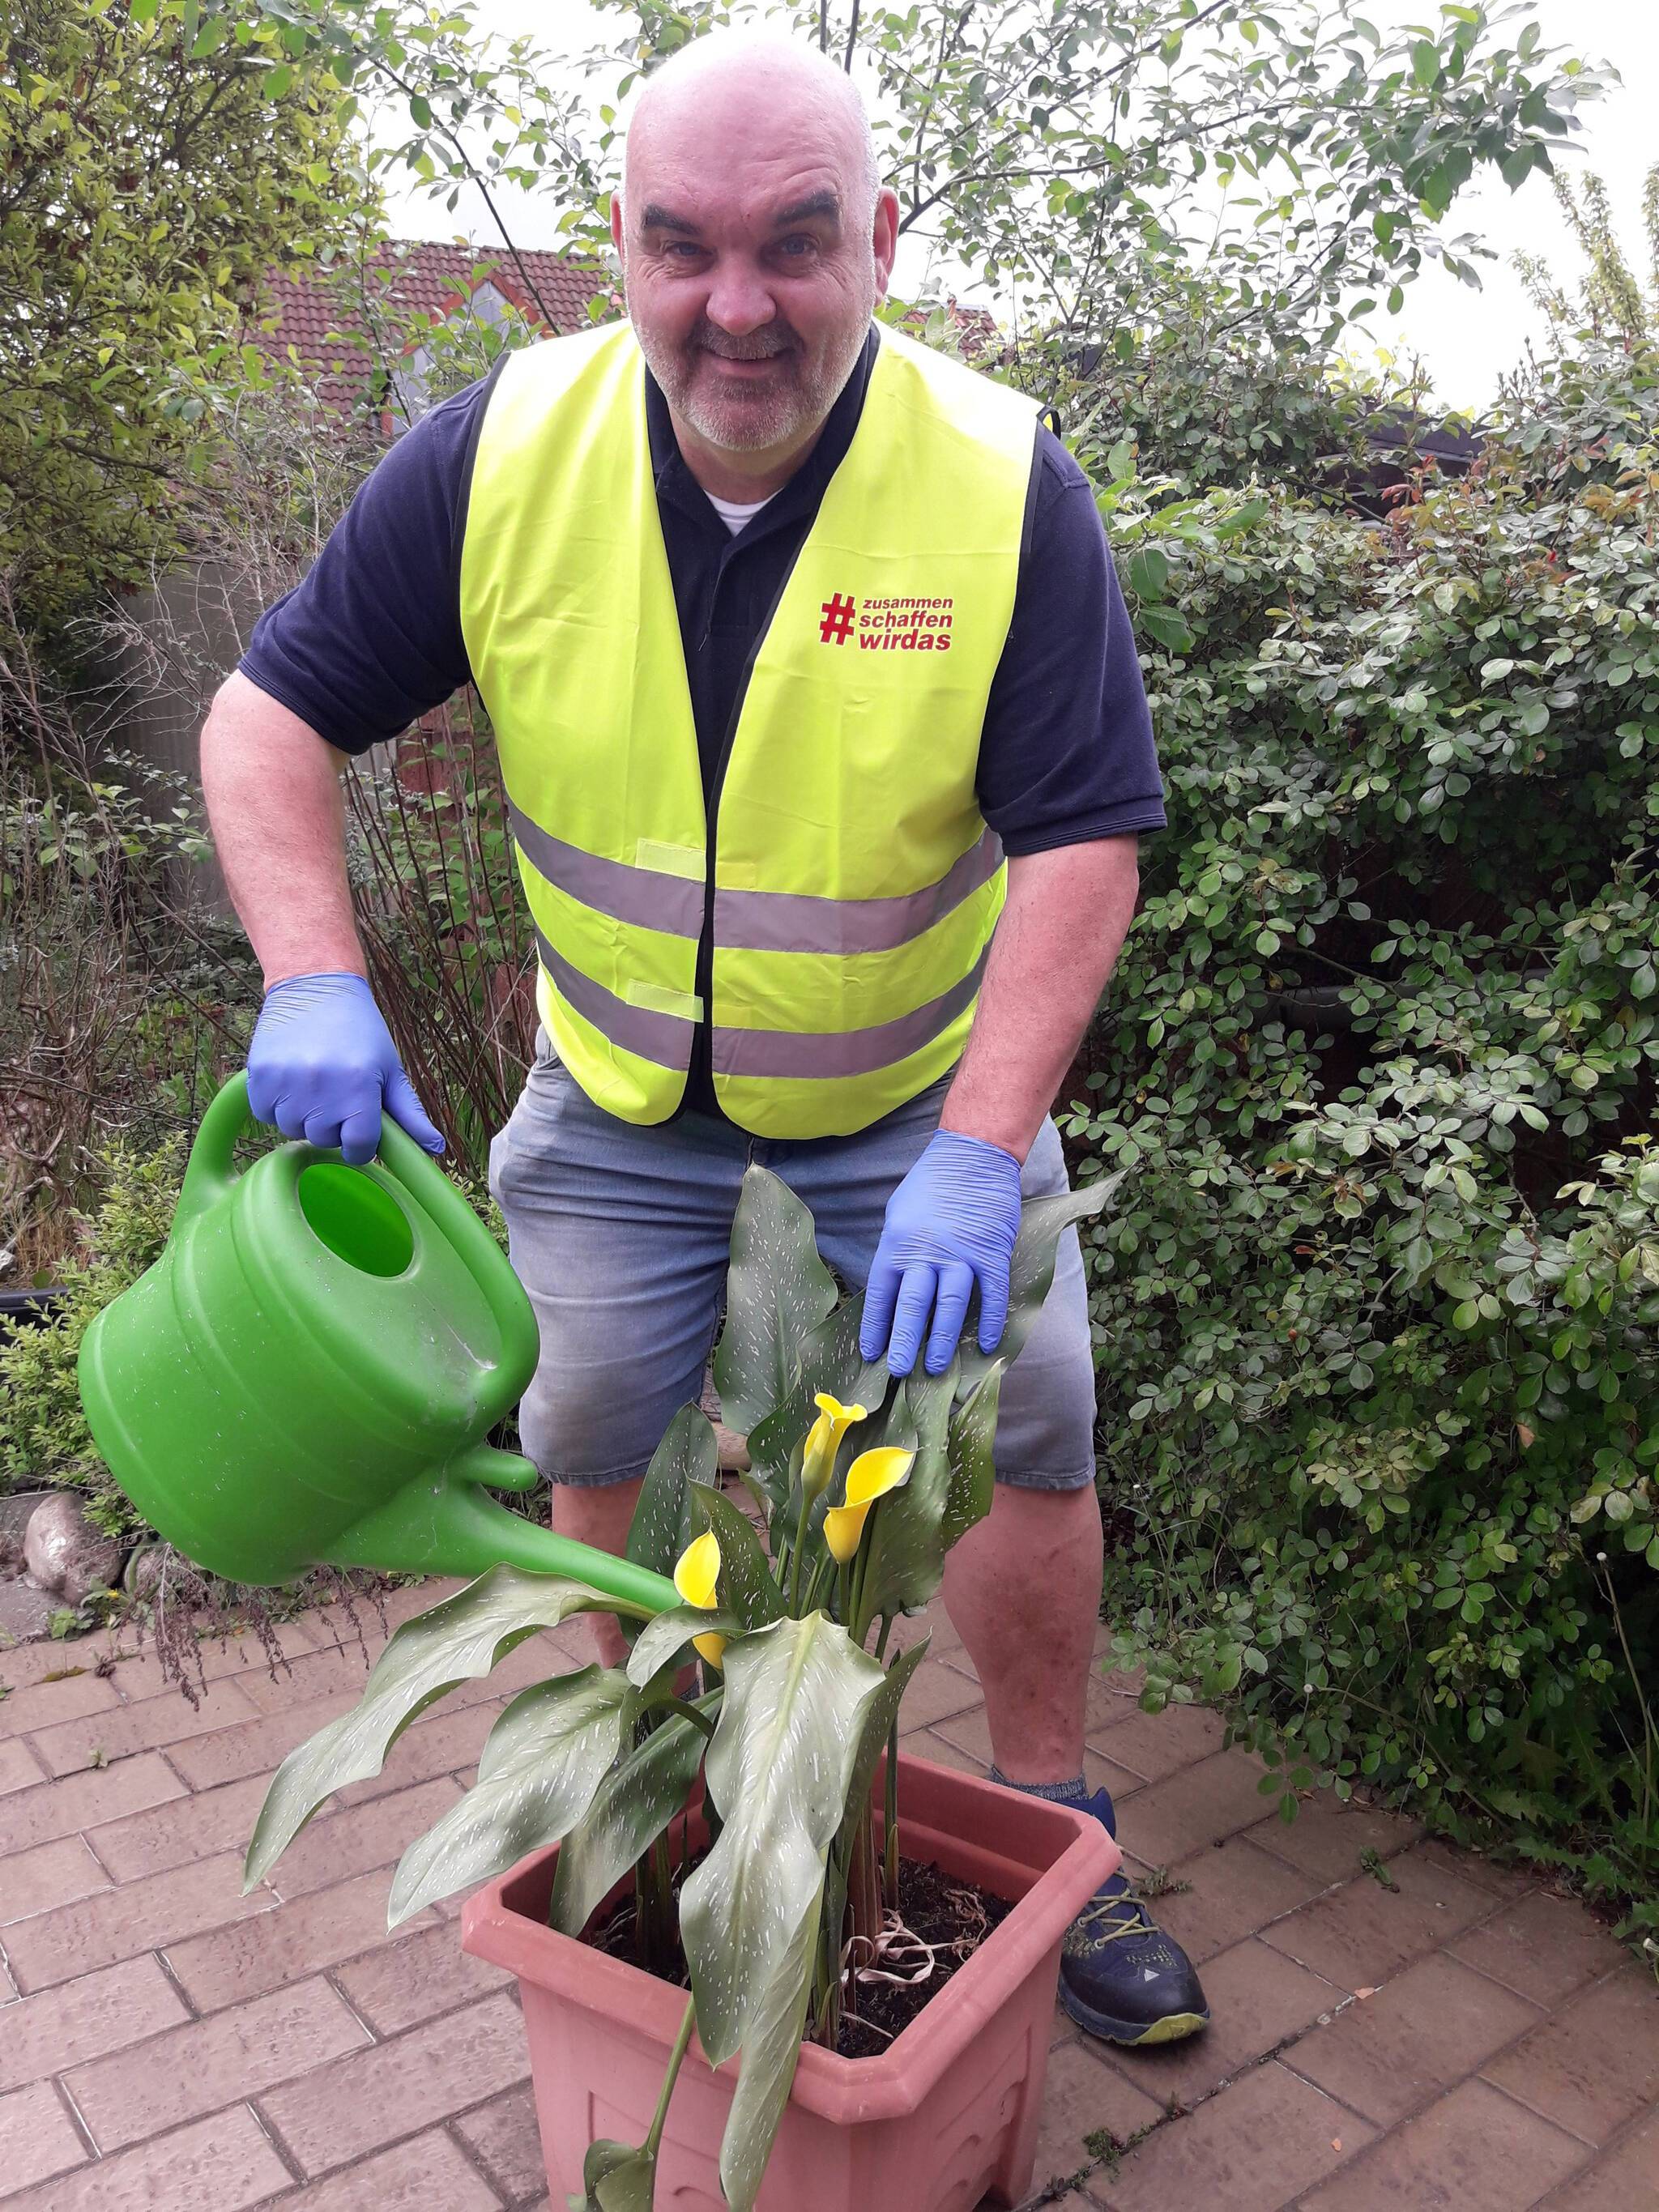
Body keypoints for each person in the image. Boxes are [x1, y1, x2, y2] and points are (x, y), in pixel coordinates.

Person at [201, 28, 1208, 2048]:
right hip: (615, 1097)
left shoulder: (998, 484)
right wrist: (310, 970)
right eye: (684, 247)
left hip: (913, 1100)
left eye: (792, 244)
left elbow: (1082, 840)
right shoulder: (497, 455)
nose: (735, 306)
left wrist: (980, 1148)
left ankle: (1057, 1822)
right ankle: (656, 1813)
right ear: (623, 246)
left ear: (879, 244)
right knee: (591, 1443)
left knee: (1024, 1430)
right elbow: (266, 718)